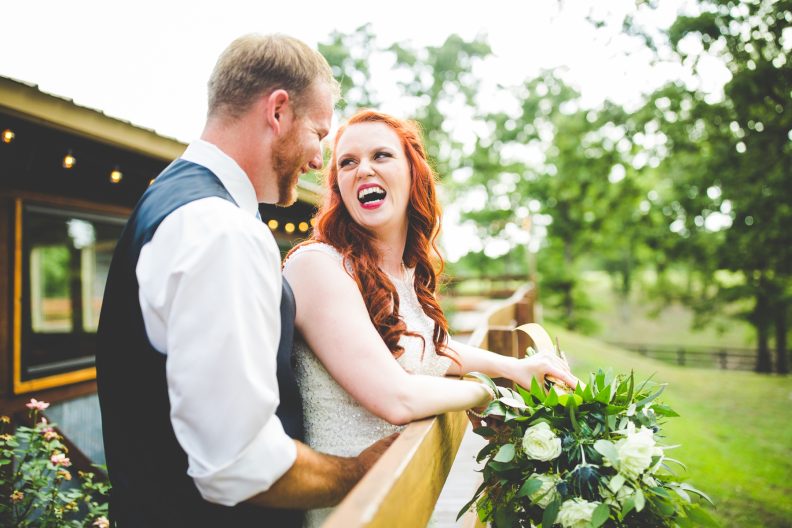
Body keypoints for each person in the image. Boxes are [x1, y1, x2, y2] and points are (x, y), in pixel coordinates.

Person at [96, 35, 395, 528]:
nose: (319, 159)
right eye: (318, 134)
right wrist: (357, 471)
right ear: (278, 111)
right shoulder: (221, 231)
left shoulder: (171, 200)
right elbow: (239, 465)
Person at [282, 110, 578, 526]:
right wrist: (487, 391)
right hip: (356, 510)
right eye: (347, 162)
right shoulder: (317, 266)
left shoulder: (403, 273)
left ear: (413, 174)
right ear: (338, 187)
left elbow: (427, 347)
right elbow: (396, 397)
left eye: (381, 155)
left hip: (407, 500)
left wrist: (516, 367)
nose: (362, 168)